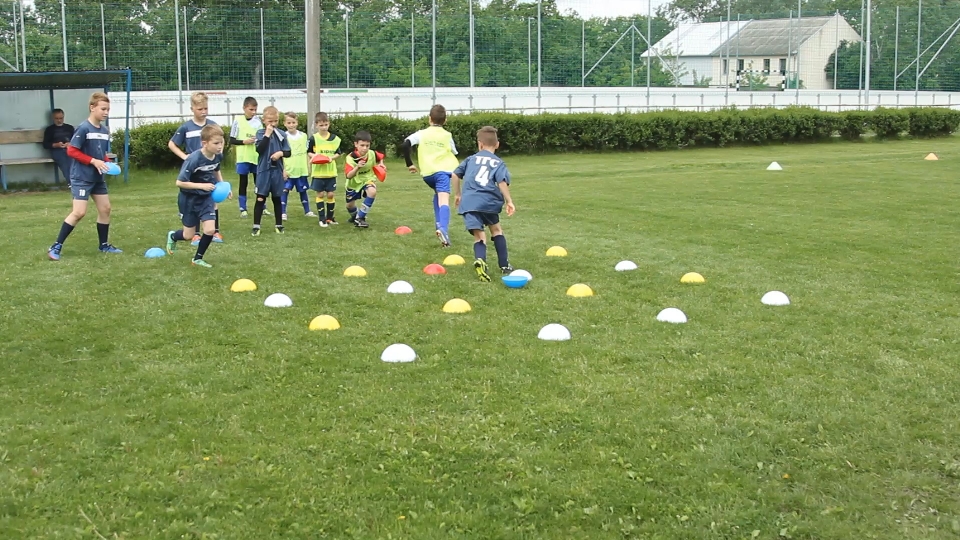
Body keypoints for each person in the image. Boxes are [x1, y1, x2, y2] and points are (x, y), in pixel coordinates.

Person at [47, 92, 122, 261]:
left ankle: (103, 245)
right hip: (81, 177)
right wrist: (94, 161)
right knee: (79, 212)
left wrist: (106, 163)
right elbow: (72, 150)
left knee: (105, 209)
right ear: (92, 107)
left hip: (97, 177)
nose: (106, 112)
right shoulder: (83, 128)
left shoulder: (104, 130)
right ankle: (56, 246)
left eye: (108, 109)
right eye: (103, 109)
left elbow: (99, 153)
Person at [452, 126, 516, 282]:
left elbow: (455, 174)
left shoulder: (470, 159)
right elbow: (501, 182)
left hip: (469, 203)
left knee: (479, 235)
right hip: (489, 202)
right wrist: (509, 201)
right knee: (496, 230)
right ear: (497, 144)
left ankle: (481, 260)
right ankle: (504, 265)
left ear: (479, 144)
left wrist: (458, 194)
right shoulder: (498, 163)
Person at [165, 125, 228, 268]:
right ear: (204, 143)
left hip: (206, 198)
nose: (220, 147)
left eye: (221, 142)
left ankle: (197, 258)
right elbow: (179, 182)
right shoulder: (193, 159)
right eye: (216, 143)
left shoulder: (218, 156)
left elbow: (216, 170)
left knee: (210, 230)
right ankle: (173, 236)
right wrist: (201, 186)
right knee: (188, 235)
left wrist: (223, 186)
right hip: (189, 199)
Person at [168, 91, 223, 243]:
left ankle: (214, 232)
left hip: (209, 168)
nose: (203, 112)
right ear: (192, 108)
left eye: (206, 108)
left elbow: (219, 143)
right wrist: (184, 156)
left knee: (213, 200)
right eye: (200, 109)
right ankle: (196, 234)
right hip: (194, 171)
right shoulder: (186, 127)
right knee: (195, 200)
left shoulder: (212, 126)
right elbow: (172, 144)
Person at [402, 104, 460, 247]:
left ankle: (439, 225)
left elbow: (405, 144)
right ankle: (444, 230)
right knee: (444, 200)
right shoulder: (447, 135)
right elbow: (454, 152)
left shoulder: (421, 134)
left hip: (427, 174)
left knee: (438, 195)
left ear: (429, 119)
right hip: (443, 172)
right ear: (445, 120)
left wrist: (409, 163)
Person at [251, 106, 290, 236]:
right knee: (260, 198)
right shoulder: (260, 134)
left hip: (277, 171)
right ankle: (256, 226)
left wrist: (280, 153)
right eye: (270, 121)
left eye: (275, 121)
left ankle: (279, 225)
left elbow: (288, 152)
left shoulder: (282, 134)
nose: (273, 124)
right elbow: (259, 149)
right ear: (264, 120)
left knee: (277, 198)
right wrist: (267, 135)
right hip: (263, 170)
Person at [306, 112, 346, 227]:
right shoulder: (313, 138)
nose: (324, 127)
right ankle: (322, 219)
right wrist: (316, 157)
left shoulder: (335, 139)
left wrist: (329, 158)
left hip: (330, 172)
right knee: (320, 194)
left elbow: (338, 153)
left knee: (330, 195)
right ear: (316, 125)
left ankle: (330, 218)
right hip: (318, 173)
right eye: (321, 125)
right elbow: (309, 152)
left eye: (326, 124)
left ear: (329, 124)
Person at [230, 96, 267, 218]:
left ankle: (262, 207)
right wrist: (244, 142)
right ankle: (243, 208)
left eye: (255, 109)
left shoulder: (258, 122)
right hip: (243, 158)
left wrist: (257, 141)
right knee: (243, 182)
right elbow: (232, 140)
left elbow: (262, 137)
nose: (254, 112)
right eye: (251, 109)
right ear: (244, 108)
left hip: (256, 157)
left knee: (259, 182)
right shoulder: (237, 121)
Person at [344, 130, 383, 229]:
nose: (365, 148)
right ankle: (355, 217)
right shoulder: (350, 158)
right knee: (349, 206)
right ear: (356, 144)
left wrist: (381, 164)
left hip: (368, 179)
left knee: (372, 191)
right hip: (354, 183)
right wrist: (357, 167)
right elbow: (348, 175)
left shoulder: (372, 153)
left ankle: (360, 218)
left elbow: (380, 157)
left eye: (367, 145)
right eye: (362, 145)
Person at [280, 111, 315, 221]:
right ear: (284, 123)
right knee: (284, 190)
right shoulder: (283, 136)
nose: (291, 125)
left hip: (301, 169)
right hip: (289, 169)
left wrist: (309, 166)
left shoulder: (303, 136)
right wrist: (283, 169)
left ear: (297, 123)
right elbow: (281, 154)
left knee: (303, 190)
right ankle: (283, 212)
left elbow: (307, 152)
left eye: (293, 122)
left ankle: (307, 210)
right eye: (289, 123)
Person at [42, 108, 75, 186]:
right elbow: (45, 144)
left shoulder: (69, 128)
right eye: (57, 118)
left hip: (69, 149)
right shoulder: (50, 130)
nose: (59, 120)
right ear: (53, 118)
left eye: (61, 118)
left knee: (73, 161)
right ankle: (71, 182)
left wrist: (70, 144)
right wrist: (55, 145)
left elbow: (76, 141)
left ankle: (75, 181)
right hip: (57, 150)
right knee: (64, 162)